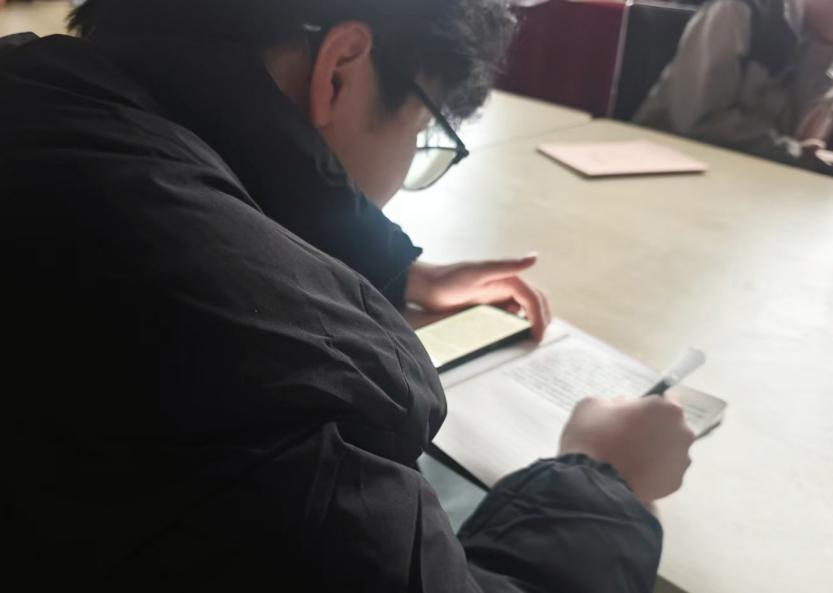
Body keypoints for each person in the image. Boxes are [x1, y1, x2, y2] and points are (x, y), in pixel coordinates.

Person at [0, 0, 695, 590]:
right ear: (339, 67)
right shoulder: (267, 384)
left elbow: (246, 155)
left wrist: (391, 269)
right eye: (421, 131)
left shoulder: (45, 104)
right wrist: (601, 481)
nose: (409, 160)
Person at [635, 0, 833, 175]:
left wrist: (823, 49)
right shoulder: (737, 9)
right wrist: (796, 155)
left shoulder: (817, 40)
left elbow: (805, 137)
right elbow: (700, 121)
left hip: (750, 175)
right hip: (667, 162)